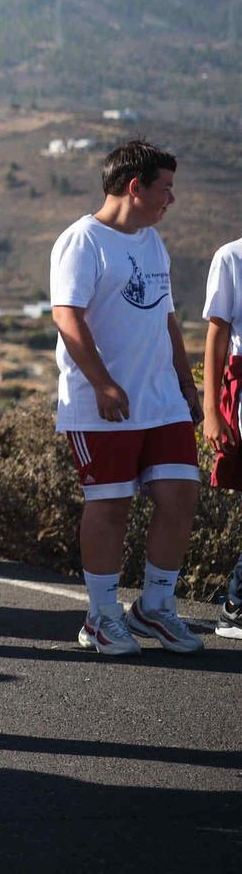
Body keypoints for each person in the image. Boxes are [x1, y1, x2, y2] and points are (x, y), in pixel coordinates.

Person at [50, 140, 202, 655]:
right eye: (166, 189)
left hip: (161, 400)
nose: (171, 200)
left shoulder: (151, 240)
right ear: (135, 187)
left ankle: (155, 608)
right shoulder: (81, 241)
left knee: (180, 496)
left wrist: (185, 383)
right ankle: (101, 615)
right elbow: (66, 316)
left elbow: (165, 316)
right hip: (102, 405)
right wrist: (102, 383)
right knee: (110, 507)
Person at [203, 234, 242, 640]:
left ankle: (236, 603)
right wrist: (212, 411)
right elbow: (216, 335)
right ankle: (235, 606)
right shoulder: (231, 256)